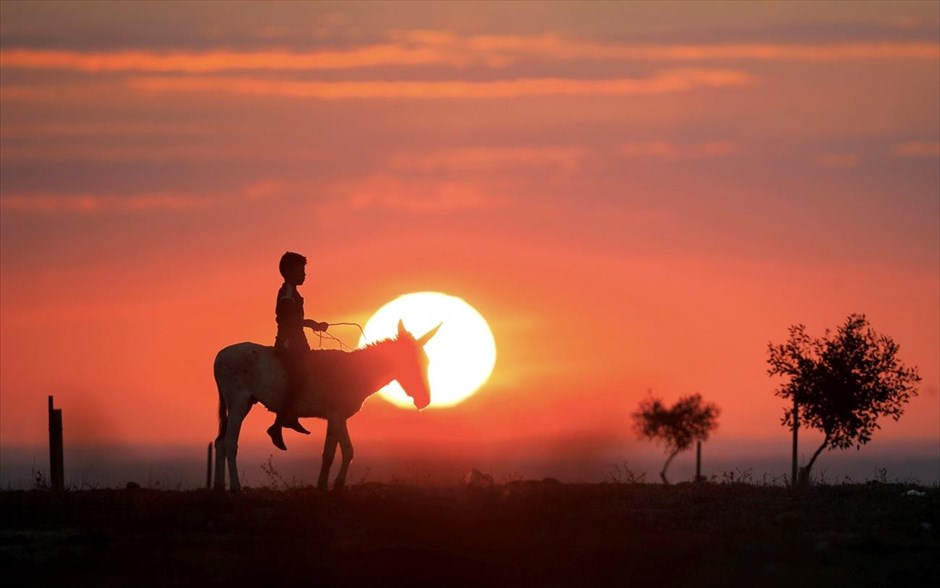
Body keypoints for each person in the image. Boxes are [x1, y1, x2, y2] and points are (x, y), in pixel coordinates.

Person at [267, 251, 328, 451]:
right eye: (301, 270)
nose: (304, 274)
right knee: (298, 378)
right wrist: (311, 324)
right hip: (288, 344)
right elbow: (285, 320)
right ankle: (279, 423)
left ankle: (290, 416)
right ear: (288, 272)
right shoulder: (287, 294)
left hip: (297, 343)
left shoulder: (292, 292)